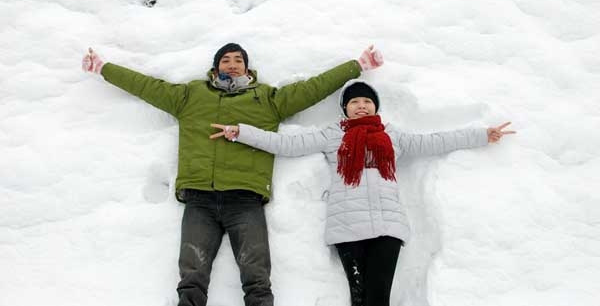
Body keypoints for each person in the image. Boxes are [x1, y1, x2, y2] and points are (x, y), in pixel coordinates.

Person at [81, 43, 383, 306]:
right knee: (191, 277)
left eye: (238, 60)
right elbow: (146, 86)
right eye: (226, 60)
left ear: (247, 68)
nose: (232, 64)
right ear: (216, 68)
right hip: (199, 198)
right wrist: (104, 68)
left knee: (257, 277)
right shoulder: (190, 95)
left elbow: (313, 88)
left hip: (245, 199)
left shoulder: (268, 99)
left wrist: (356, 65)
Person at [210, 79, 515, 306]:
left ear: (375, 107)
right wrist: (241, 132)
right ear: (345, 108)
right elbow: (286, 144)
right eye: (354, 102)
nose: (361, 106)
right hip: (347, 228)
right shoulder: (333, 135)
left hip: (387, 227)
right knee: (359, 298)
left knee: (378, 297)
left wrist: (481, 135)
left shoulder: (392, 136)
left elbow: (435, 140)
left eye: (367, 101)